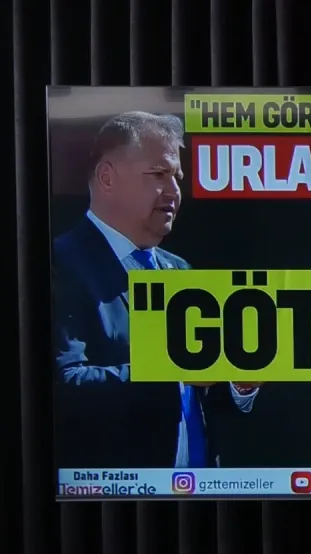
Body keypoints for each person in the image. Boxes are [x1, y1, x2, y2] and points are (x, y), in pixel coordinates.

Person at [52, 111, 262, 470]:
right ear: (107, 177)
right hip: (114, 494)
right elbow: (64, 387)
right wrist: (173, 371)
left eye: (177, 178)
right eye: (158, 174)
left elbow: (201, 396)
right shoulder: (59, 263)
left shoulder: (180, 270)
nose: (175, 192)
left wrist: (240, 384)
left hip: (202, 490)